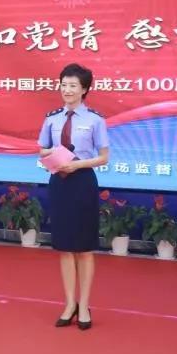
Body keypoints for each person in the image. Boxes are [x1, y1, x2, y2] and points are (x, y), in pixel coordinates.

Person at [37, 63, 110, 330]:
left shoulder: (95, 120)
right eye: (63, 85)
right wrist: (51, 155)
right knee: (65, 247)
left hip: (82, 182)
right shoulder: (52, 118)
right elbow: (41, 149)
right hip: (59, 181)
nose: (67, 90)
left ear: (84, 89)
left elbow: (103, 157)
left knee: (84, 248)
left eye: (72, 86)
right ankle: (69, 304)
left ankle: (85, 305)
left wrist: (77, 164)